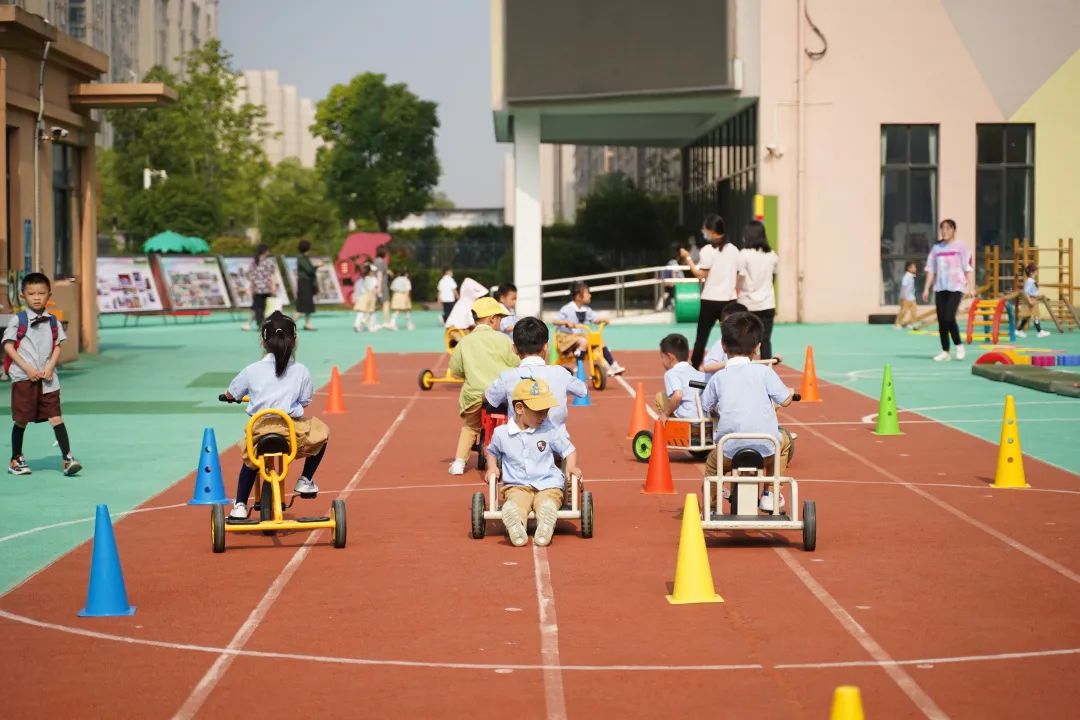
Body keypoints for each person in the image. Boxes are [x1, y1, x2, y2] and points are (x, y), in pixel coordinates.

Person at [222, 312, 328, 519]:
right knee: (322, 433)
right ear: (294, 340)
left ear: (263, 341)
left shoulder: (251, 370)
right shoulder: (301, 370)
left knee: (251, 459)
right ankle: (305, 479)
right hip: (291, 431)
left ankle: (241, 505)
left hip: (260, 428)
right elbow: (305, 400)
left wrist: (230, 397)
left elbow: (232, 393)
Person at [701, 312, 794, 512]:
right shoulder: (765, 372)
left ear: (723, 346)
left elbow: (706, 405)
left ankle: (712, 507)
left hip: (729, 450)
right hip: (766, 447)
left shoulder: (719, 378)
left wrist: (718, 409)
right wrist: (791, 392)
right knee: (784, 441)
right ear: (757, 347)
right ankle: (770, 492)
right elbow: (785, 400)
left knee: (711, 466)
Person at [484, 377, 582, 547]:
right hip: (517, 485)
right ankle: (516, 524)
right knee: (516, 503)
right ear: (519, 408)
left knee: (547, 501)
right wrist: (492, 467)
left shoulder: (549, 430)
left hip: (548, 483)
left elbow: (569, 449)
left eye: (546, 410)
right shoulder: (502, 434)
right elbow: (491, 451)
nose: (544, 416)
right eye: (539, 411)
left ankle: (546, 521)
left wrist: (571, 466)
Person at [4, 273, 81, 476]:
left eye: (41, 293)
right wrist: (27, 369)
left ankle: (67, 458)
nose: (36, 297)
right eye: (31, 293)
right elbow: (9, 347)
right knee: (21, 419)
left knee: (56, 417)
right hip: (24, 379)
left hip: (48, 380)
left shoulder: (53, 321)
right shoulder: (17, 320)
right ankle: (16, 459)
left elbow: (57, 346)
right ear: (23, 295)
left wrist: (50, 366)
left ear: (49, 295)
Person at [447, 297, 520, 475]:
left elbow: (455, 370)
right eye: (500, 319)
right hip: (501, 397)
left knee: (471, 426)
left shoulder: (465, 341)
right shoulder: (503, 340)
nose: (501, 322)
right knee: (514, 422)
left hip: (474, 397)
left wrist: (469, 374)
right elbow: (516, 362)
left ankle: (458, 463)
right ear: (492, 319)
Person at [485, 317, 587, 429]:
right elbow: (582, 390)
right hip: (557, 442)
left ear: (514, 349)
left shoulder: (507, 376)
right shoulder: (560, 373)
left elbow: (489, 398)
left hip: (519, 442)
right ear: (546, 347)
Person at [681, 214, 740, 369]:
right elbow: (738, 275)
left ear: (712, 232)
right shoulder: (734, 250)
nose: (703, 231)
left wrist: (688, 259)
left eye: (705, 229)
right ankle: (733, 366)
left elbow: (700, 274)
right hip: (729, 299)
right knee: (730, 337)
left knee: (701, 338)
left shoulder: (707, 250)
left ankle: (693, 368)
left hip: (710, 299)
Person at [922, 219, 975, 362]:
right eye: (942, 228)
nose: (944, 231)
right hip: (940, 287)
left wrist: (971, 287)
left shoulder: (961, 247)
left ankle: (959, 345)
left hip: (956, 287)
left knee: (949, 317)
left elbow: (967, 268)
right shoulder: (936, 248)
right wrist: (926, 289)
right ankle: (945, 351)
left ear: (953, 230)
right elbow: (931, 270)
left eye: (947, 228)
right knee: (941, 320)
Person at [553, 281, 625, 375]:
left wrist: (602, 320)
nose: (590, 295)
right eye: (587, 293)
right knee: (584, 341)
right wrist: (566, 322)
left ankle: (612, 366)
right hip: (566, 337)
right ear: (579, 296)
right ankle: (579, 366)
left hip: (580, 336)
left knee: (599, 340)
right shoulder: (567, 309)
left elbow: (595, 318)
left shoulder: (586, 310)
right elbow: (555, 321)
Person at [736, 221, 779, 359]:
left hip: (747, 304)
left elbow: (739, 279)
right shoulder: (772, 255)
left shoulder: (744, 254)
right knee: (765, 341)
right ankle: (766, 373)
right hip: (767, 304)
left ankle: (746, 372)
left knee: (745, 342)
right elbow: (773, 277)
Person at [656, 333, 706, 421]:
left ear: (670, 357)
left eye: (662, 357)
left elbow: (678, 395)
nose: (662, 361)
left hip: (686, 420)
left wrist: (665, 414)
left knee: (660, 397)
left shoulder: (671, 373)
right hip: (704, 418)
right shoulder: (699, 373)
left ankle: (670, 428)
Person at [700, 302, 748, 378]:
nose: (730, 329)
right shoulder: (721, 344)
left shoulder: (747, 343)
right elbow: (707, 367)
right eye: (726, 325)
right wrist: (731, 362)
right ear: (721, 325)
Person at [245, 244, 277, 331]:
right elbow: (272, 275)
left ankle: (260, 324)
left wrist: (251, 287)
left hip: (257, 288)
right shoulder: (269, 262)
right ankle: (265, 324)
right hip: (267, 288)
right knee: (267, 307)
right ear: (265, 251)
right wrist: (274, 286)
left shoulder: (253, 262)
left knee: (258, 308)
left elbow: (250, 277)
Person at [1016, 263, 1051, 338]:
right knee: (1036, 316)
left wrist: (1040, 296)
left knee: (1027, 316)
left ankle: (1019, 330)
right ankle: (1039, 331)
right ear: (1032, 272)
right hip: (1031, 300)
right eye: (1036, 270)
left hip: (1033, 299)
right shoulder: (1030, 281)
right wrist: (1029, 301)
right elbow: (1026, 292)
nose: (1037, 272)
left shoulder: (1032, 280)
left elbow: (1034, 291)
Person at [294, 240, 318, 331]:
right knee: (301, 306)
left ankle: (307, 323)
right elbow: (309, 270)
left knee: (308, 305)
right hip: (304, 283)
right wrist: (317, 266)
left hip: (307, 282)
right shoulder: (301, 258)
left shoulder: (304, 257)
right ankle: (288, 324)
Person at [352, 263, 378, 332]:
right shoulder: (373, 279)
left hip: (362, 297)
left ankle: (356, 324)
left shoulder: (360, 280)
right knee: (371, 312)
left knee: (361, 311)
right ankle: (371, 327)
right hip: (370, 296)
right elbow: (374, 289)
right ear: (370, 272)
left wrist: (356, 298)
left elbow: (357, 290)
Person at [373, 246, 393, 329]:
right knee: (386, 303)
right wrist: (379, 287)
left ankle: (370, 321)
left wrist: (388, 272)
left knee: (375, 304)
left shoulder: (375, 261)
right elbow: (379, 274)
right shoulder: (381, 262)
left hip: (376, 285)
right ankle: (386, 321)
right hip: (381, 285)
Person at [894, 261, 919, 329]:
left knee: (914, 311)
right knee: (903, 311)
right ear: (909, 268)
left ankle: (911, 323)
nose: (915, 268)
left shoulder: (911, 275)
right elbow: (904, 286)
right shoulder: (907, 276)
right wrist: (903, 297)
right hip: (906, 297)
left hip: (912, 297)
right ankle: (897, 324)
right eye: (914, 267)